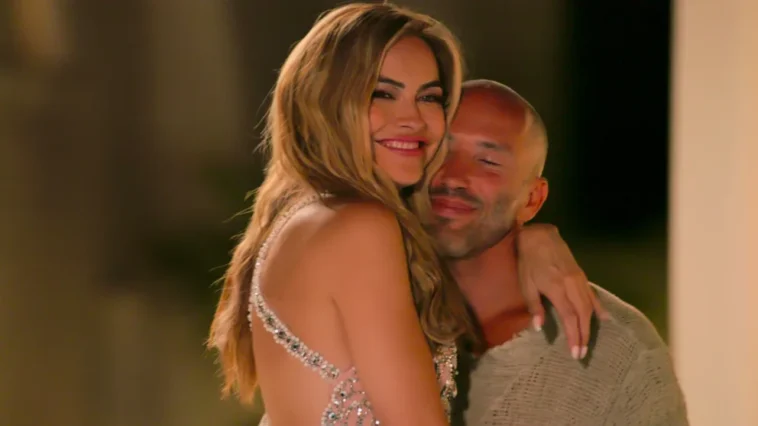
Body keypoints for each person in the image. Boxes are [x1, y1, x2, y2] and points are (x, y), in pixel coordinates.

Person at [207, 4, 603, 425]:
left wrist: (534, 238)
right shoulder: (361, 228)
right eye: (382, 93)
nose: (413, 119)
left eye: (429, 97)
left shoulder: (304, 218)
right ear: (325, 102)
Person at [425, 79, 689, 425]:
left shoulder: (619, 351)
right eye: (439, 151)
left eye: (488, 161)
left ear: (532, 199)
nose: (453, 176)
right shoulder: (373, 307)